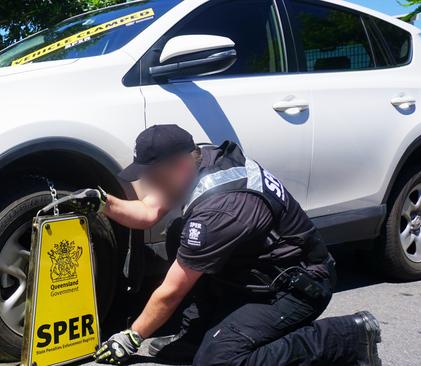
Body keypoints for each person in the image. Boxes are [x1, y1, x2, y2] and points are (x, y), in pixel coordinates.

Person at [81, 125, 381, 365]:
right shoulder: (201, 161)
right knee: (179, 234)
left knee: (218, 360)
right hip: (259, 270)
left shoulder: (220, 210)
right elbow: (147, 213)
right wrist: (102, 202)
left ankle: (347, 336)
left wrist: (131, 336)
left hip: (298, 287)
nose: (148, 183)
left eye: (153, 175)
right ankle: (195, 337)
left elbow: (171, 293)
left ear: (181, 165)